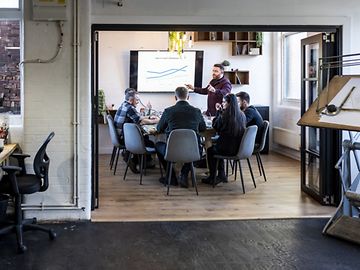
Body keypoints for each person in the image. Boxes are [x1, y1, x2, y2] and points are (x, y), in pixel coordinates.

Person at [156, 86, 206, 187]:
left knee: (158, 145)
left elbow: (159, 129)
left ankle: (171, 177)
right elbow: (203, 128)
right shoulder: (196, 111)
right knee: (193, 147)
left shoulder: (168, 111)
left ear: (175, 97)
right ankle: (184, 174)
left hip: (172, 151)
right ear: (188, 97)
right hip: (194, 151)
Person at [202, 93, 247, 185]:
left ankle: (212, 177)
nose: (222, 104)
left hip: (227, 149)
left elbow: (216, 126)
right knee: (218, 147)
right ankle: (221, 175)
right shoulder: (242, 115)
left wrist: (218, 111)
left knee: (211, 150)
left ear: (229, 103)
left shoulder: (225, 116)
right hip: (239, 148)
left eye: (224, 102)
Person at [114, 90, 159, 173]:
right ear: (131, 100)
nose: (138, 102)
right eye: (137, 100)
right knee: (149, 142)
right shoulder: (130, 108)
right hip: (125, 139)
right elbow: (141, 121)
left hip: (121, 136)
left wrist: (149, 117)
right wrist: (156, 121)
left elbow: (139, 118)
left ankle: (141, 161)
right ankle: (136, 161)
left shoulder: (124, 105)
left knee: (145, 136)